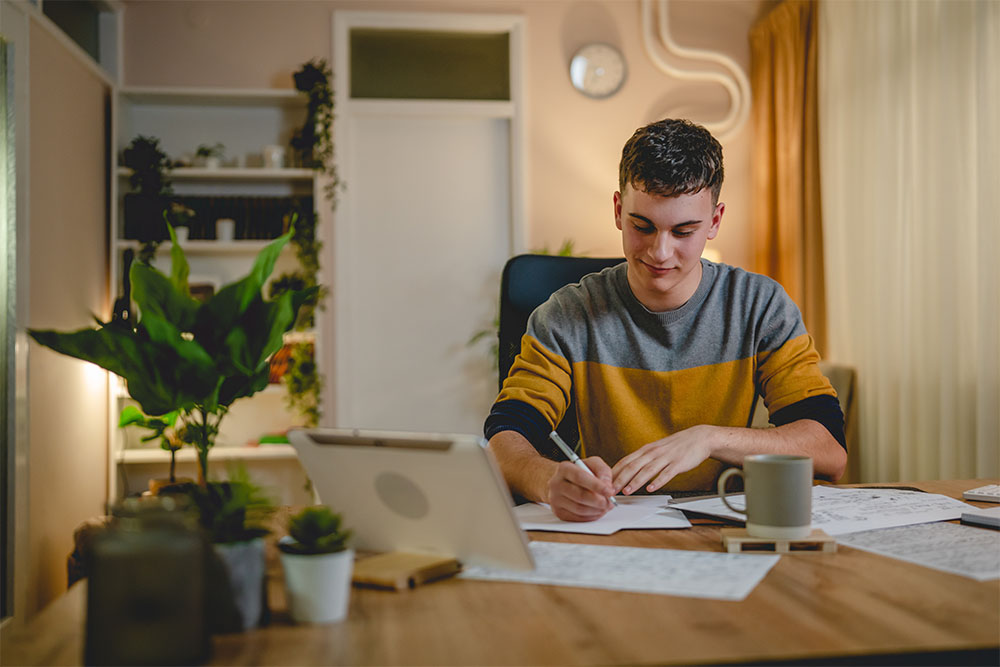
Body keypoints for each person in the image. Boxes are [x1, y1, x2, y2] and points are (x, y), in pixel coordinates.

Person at [484, 118, 847, 522]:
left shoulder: (760, 307)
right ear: (619, 210)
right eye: (643, 226)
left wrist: (709, 439)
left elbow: (828, 449)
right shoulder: (566, 316)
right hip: (612, 525)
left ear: (714, 221)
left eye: (683, 230)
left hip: (722, 530)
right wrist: (548, 479)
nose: (660, 252)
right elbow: (504, 441)